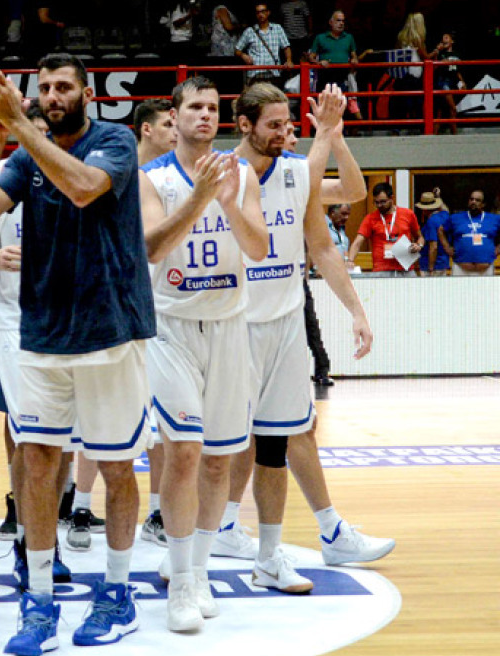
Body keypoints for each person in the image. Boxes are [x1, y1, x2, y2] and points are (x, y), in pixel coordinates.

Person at [0, 54, 157, 651]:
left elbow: (82, 188)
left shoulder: (116, 140)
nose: (52, 96)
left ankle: (119, 592)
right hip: (44, 331)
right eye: (43, 88)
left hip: (110, 329)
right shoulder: (22, 154)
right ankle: (42, 599)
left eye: (62, 87)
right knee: (39, 463)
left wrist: (21, 129)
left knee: (117, 466)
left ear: (86, 91)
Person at [228, 83, 379, 592]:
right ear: (245, 124)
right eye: (275, 124)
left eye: (290, 124)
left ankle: (275, 550)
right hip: (231, 326)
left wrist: (357, 311)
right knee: (220, 446)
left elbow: (327, 242)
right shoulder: (223, 174)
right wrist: (324, 134)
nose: (285, 133)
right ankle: (202, 541)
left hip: (287, 323)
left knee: (280, 439)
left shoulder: (296, 171)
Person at [139, 75, 268, 632]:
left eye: (214, 108)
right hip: (170, 326)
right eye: (194, 107)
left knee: (219, 458)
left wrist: (227, 204)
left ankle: (196, 566)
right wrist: (197, 200)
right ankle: (183, 586)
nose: (205, 115)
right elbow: (150, 246)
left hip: (228, 325)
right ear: (174, 116)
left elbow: (260, 248)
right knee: (184, 452)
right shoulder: (151, 177)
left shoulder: (240, 175)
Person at [0, 100, 91, 564]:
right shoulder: (5, 178)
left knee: (60, 442)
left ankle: (45, 524)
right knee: (30, 437)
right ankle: (31, 538)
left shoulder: (79, 174)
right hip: (16, 325)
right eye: (30, 129)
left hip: (73, 326)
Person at [133, 97, 176, 548]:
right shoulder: (119, 172)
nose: (175, 130)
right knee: (111, 422)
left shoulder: (173, 178)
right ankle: (80, 503)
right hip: (124, 308)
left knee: (166, 422)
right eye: (167, 124)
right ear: (147, 130)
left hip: (166, 308)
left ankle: (159, 512)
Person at [346, 182, 423, 276]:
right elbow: (358, 242)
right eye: (376, 202)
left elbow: (420, 237)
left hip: (405, 268)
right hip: (381, 270)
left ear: (392, 198)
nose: (379, 205)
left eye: (383, 202)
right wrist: (350, 260)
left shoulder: (408, 214)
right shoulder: (370, 218)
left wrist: (419, 245)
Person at [440, 189, 500, 276]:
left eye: (477, 200)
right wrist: (447, 248)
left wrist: (498, 249)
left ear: (483, 204)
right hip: (461, 268)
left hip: (485, 268)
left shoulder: (494, 219)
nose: (473, 202)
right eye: (471, 199)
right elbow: (440, 230)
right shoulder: (456, 218)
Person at [235, 4, 292, 85]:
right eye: (258, 12)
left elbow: (286, 47)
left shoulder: (277, 28)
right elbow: (237, 50)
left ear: (268, 13)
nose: (260, 14)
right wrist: (243, 55)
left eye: (263, 11)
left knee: (273, 97)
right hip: (255, 74)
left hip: (273, 73)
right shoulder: (249, 31)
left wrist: (289, 60)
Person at [415, 191, 451, 276]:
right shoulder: (444, 215)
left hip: (432, 265)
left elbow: (433, 246)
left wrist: (431, 267)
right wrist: (438, 197)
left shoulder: (431, 221)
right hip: (443, 262)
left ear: (424, 209)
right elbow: (445, 208)